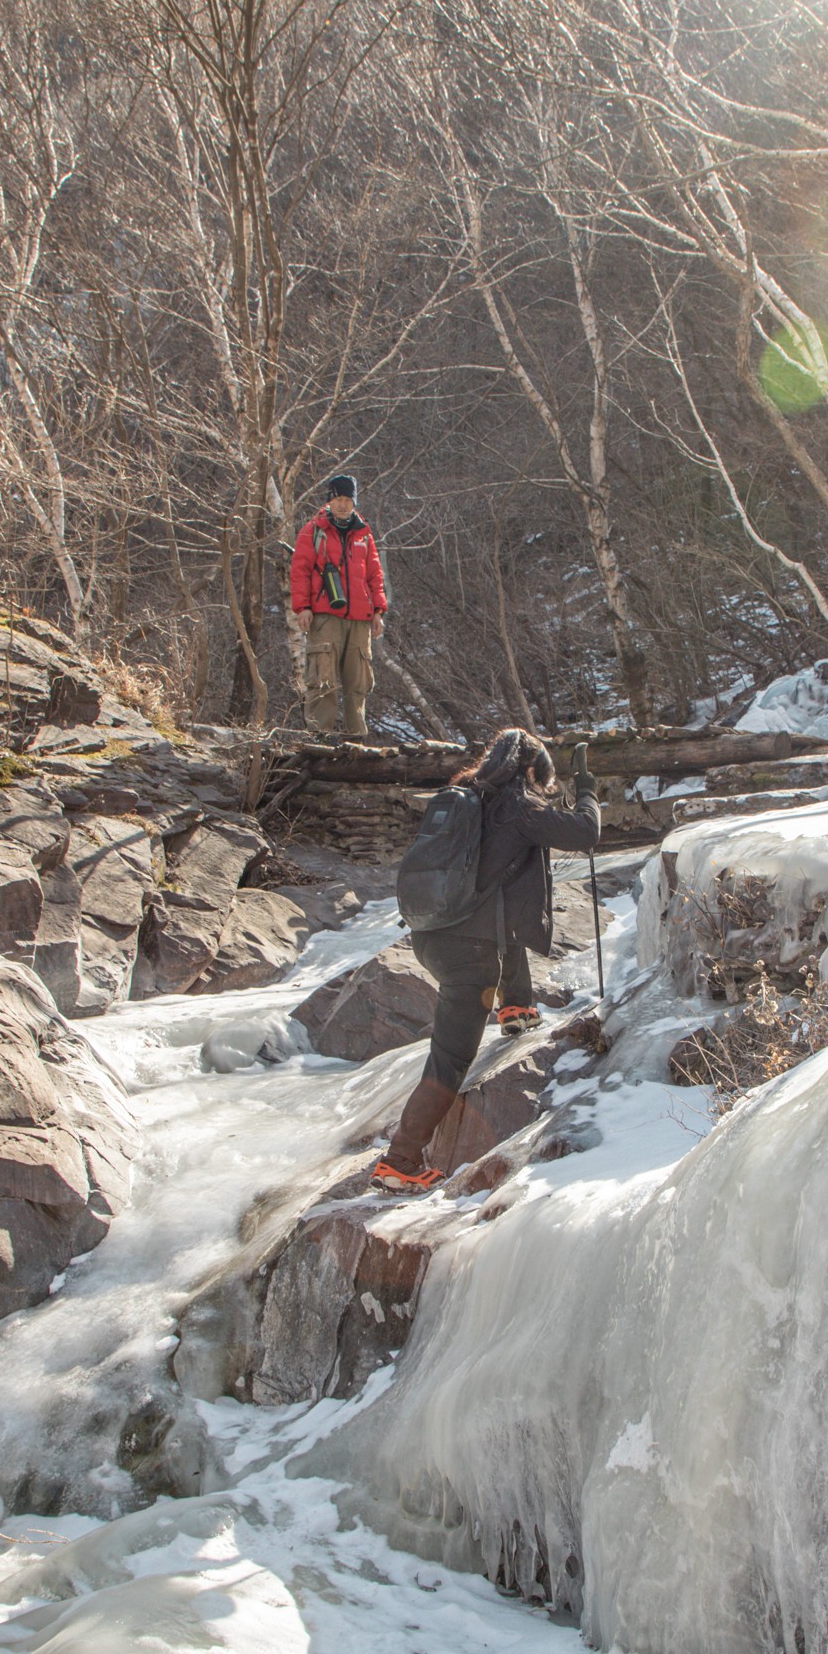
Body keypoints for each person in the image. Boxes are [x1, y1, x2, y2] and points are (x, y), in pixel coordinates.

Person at [373, 728, 600, 1191]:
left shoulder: (465, 799)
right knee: (450, 1060)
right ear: (532, 770)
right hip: (468, 956)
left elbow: (499, 887)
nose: (544, 787)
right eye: (544, 778)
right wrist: (588, 790)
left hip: (430, 935)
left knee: (501, 909)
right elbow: (585, 832)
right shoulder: (520, 806)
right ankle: (400, 1161)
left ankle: (516, 1006)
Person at [289, 473, 389, 739]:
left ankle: (357, 744)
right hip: (325, 618)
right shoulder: (313, 531)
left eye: (347, 500)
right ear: (329, 500)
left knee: (358, 685)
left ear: (354, 502)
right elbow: (299, 571)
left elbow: (374, 575)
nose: (343, 505)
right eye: (338, 499)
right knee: (323, 682)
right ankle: (319, 741)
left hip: (360, 620)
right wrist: (303, 608)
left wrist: (379, 610)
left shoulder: (364, 534)